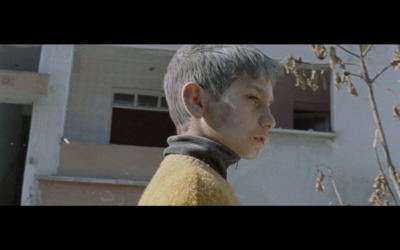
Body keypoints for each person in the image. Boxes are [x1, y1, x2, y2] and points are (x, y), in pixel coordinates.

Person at [138, 45, 283, 206]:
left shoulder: (196, 178)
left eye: (268, 104)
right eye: (253, 98)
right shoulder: (194, 187)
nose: (270, 121)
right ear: (196, 100)